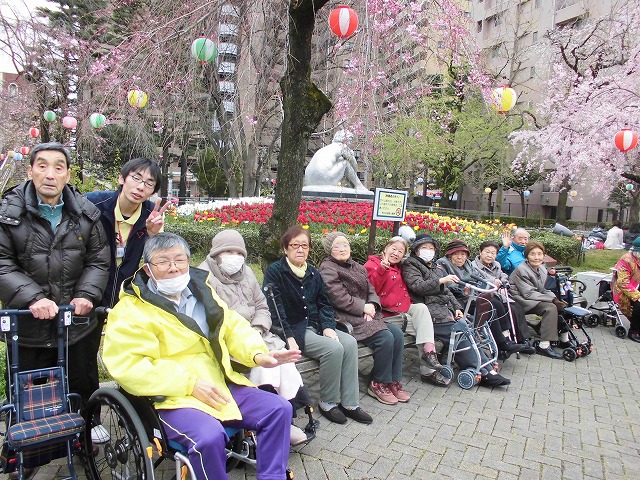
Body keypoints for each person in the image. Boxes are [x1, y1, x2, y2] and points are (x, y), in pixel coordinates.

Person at [102, 233, 299, 480]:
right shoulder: (130, 311)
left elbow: (232, 327)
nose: (173, 268)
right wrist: (189, 384)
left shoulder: (203, 293)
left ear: (189, 262)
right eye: (163, 262)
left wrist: (258, 354)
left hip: (217, 383)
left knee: (279, 409)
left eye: (180, 260)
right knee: (207, 437)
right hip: (171, 396)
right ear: (148, 269)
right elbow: (130, 364)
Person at [0, 142, 110, 477]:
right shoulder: (8, 213)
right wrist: (34, 298)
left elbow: (99, 260)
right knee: (29, 389)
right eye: (43, 166)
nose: (50, 173)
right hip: (29, 324)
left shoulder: (85, 213)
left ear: (67, 174)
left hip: (76, 323)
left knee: (81, 381)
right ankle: (27, 453)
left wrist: (87, 295)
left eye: (58, 167)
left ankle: (82, 438)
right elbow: (3, 264)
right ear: (30, 170)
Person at [198, 229, 310, 445]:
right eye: (228, 251)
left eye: (239, 252)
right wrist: (248, 335)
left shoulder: (247, 273)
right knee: (264, 364)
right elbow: (216, 318)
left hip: (258, 333)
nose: (235, 257)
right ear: (216, 254)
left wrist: (258, 328)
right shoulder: (204, 278)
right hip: (229, 341)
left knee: (284, 361)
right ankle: (261, 427)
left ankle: (285, 421)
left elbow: (262, 306)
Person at [86, 157, 167, 444]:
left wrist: (152, 236)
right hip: (90, 294)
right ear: (122, 178)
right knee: (85, 357)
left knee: (134, 351)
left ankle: (139, 418)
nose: (141, 186)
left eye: (149, 183)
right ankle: (90, 419)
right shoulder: (93, 205)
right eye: (136, 178)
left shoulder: (150, 217)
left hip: (126, 297)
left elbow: (150, 263)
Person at [263, 226, 373, 425]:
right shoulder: (276, 272)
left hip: (315, 325)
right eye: (294, 245)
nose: (300, 249)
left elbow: (324, 303)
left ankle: (350, 403)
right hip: (294, 329)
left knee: (349, 343)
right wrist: (288, 336)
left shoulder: (313, 273)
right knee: (333, 349)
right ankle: (329, 402)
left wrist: (329, 326)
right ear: (285, 249)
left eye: (304, 245)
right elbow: (275, 309)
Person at [402, 234, 510, 388]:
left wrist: (457, 307)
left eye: (431, 248)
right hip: (427, 311)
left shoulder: (433, 266)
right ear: (416, 250)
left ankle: (486, 366)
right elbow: (417, 286)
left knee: (468, 329)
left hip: (443, 309)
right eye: (424, 248)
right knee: (458, 333)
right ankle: (479, 369)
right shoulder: (410, 265)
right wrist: (440, 281)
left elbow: (447, 291)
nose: (428, 251)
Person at [319, 232, 410, 405]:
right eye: (337, 246)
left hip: (367, 315)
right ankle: (378, 383)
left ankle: (392, 380)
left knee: (397, 334)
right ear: (329, 250)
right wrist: (363, 307)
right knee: (385, 338)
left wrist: (373, 306)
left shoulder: (357, 266)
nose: (342, 249)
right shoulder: (328, 268)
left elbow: (371, 290)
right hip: (346, 317)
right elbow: (338, 297)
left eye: (345, 245)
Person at [364, 236, 447, 386]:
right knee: (422, 329)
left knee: (422, 309)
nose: (396, 253)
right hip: (386, 313)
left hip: (403, 307)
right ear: (385, 248)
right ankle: (428, 371)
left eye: (400, 251)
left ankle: (429, 354)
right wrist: (382, 270)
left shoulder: (399, 267)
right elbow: (370, 290)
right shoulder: (373, 264)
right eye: (393, 249)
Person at [436, 239, 529, 358]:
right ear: (449, 255)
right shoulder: (442, 263)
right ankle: (501, 343)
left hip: (471, 296)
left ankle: (505, 339)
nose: (460, 257)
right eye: (456, 254)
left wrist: (482, 285)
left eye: (463, 254)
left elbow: (478, 277)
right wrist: (465, 289)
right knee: (489, 306)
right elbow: (447, 285)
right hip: (456, 300)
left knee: (497, 303)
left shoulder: (468, 264)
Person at [509, 242, 570, 359]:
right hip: (521, 300)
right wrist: (552, 300)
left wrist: (556, 299)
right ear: (527, 256)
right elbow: (528, 293)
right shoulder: (521, 270)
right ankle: (544, 345)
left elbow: (543, 289)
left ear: (543, 255)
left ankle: (564, 338)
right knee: (550, 307)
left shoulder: (542, 268)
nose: (536, 257)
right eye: (533, 254)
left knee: (563, 305)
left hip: (533, 297)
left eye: (539, 254)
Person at [471, 241, 535, 352]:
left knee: (517, 307)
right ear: (480, 252)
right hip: (485, 294)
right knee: (503, 307)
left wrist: (504, 284)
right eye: (487, 252)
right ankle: (506, 339)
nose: (490, 255)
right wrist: (494, 281)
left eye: (493, 253)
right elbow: (480, 279)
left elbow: (503, 276)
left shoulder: (496, 265)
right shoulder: (474, 265)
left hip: (499, 293)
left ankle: (523, 340)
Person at [612, 237, 640, 343]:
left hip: (636, 286)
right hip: (623, 291)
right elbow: (623, 283)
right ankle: (634, 331)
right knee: (638, 304)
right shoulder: (626, 260)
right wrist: (637, 295)